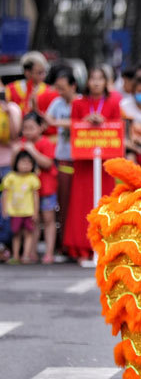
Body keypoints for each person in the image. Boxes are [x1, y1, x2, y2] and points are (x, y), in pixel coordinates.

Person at [64, 66, 121, 261]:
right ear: (87, 82)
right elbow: (74, 127)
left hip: (104, 161)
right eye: (92, 78)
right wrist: (87, 122)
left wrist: (103, 123)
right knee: (82, 202)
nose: (96, 82)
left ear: (106, 82)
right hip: (84, 161)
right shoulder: (78, 104)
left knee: (103, 201)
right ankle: (80, 245)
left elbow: (117, 129)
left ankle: (103, 243)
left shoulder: (114, 102)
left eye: (100, 79)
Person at [15, 113, 57, 264]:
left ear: (41, 128)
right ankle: (31, 252)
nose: (28, 131)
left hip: (46, 188)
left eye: (31, 128)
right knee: (33, 220)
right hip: (28, 191)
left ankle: (49, 253)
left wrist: (32, 150)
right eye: (25, 128)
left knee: (48, 219)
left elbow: (47, 163)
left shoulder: (45, 143)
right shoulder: (22, 143)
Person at [45, 69, 77, 251]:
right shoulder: (57, 103)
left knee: (77, 204)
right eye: (58, 88)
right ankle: (63, 242)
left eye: (63, 88)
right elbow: (47, 119)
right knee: (63, 203)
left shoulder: (81, 102)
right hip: (63, 159)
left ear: (73, 86)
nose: (60, 92)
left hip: (80, 160)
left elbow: (82, 123)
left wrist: (59, 123)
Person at [2, 150, 41, 263]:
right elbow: (5, 194)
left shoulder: (33, 178)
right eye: (23, 162)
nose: (25, 166)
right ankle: (15, 255)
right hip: (15, 211)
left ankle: (26, 255)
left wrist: (35, 211)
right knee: (16, 234)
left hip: (28, 211)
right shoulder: (10, 177)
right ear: (16, 163)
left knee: (28, 233)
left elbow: (35, 197)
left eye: (29, 163)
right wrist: (4, 209)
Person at [0, 88, 23, 260]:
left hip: (8, 165)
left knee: (8, 207)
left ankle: (5, 244)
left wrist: (7, 113)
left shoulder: (13, 108)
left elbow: (16, 135)